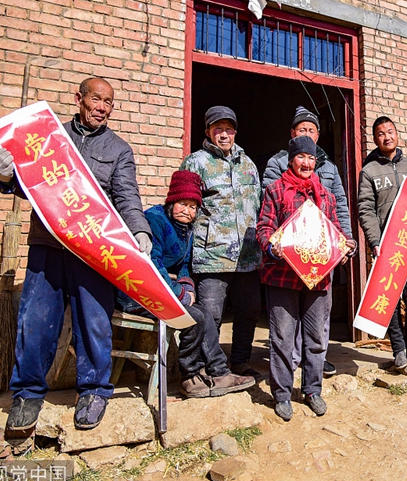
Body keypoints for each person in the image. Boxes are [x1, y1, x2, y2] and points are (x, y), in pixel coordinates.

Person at [0, 77, 153, 431]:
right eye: (97, 99)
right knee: (35, 322)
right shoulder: (49, 139)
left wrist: (140, 230)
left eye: (109, 103)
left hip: (95, 250)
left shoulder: (118, 149)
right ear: (78, 99)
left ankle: (94, 391)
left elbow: (126, 196)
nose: (103, 107)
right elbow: (26, 183)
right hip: (48, 246)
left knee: (94, 324)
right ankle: (27, 394)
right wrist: (3, 175)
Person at [116, 170, 255, 397]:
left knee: (205, 313)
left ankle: (218, 373)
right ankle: (189, 377)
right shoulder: (155, 220)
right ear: (172, 202)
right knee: (195, 317)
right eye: (182, 204)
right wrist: (179, 294)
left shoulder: (186, 230)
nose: (188, 211)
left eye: (193, 207)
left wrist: (187, 288)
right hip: (136, 294)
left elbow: (183, 265)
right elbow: (153, 265)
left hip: (162, 293)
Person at [256, 136, 357, 421]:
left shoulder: (326, 195)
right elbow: (263, 227)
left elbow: (337, 231)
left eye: (311, 158)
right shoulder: (275, 191)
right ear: (291, 160)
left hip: (319, 278)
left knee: (315, 338)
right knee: (282, 339)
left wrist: (347, 246)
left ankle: (312, 390)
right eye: (301, 157)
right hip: (282, 278)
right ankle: (283, 394)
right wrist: (271, 247)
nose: (307, 163)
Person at [180, 106, 263, 380]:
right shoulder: (196, 162)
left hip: (247, 255)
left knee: (249, 311)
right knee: (211, 315)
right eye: (218, 129)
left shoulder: (248, 164)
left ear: (235, 132)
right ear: (208, 132)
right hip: (211, 255)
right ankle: (210, 368)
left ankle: (239, 361)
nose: (224, 134)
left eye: (228, 129)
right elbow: (183, 205)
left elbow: (259, 205)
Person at [357, 116, 407, 370]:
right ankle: (399, 349)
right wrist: (374, 241)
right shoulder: (369, 172)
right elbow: (365, 208)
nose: (387, 137)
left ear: (397, 134)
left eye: (390, 131)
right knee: (389, 300)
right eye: (381, 133)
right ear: (375, 138)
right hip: (385, 248)